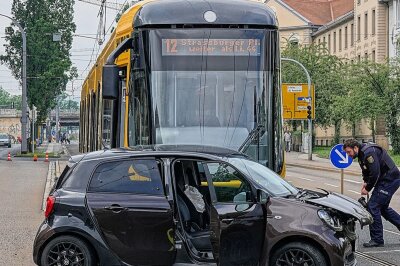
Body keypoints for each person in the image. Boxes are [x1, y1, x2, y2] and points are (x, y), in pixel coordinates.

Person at [343, 139, 400, 247]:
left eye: (348, 152)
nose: (348, 155)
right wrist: (365, 181)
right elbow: (365, 170)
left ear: (355, 148)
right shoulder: (360, 154)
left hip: (390, 180)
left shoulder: (368, 152)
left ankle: (377, 240)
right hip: (386, 180)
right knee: (382, 208)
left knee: (373, 206)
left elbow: (375, 172)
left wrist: (368, 188)